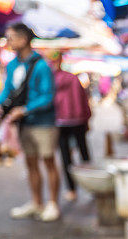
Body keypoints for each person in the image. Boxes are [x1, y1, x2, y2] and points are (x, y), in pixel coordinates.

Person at [0, 23, 61, 221]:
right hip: (23, 123)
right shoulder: (12, 65)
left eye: (10, 37)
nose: (8, 42)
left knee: (48, 162)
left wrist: (25, 109)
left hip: (43, 122)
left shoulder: (42, 65)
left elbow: (47, 96)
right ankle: (36, 202)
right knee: (30, 163)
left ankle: (53, 204)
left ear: (23, 39)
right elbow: (8, 91)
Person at [50, 50, 91, 202]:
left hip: (60, 122)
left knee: (66, 155)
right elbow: (83, 100)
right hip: (77, 120)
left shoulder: (51, 80)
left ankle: (72, 190)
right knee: (84, 152)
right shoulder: (72, 78)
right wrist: (87, 118)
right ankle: (91, 185)